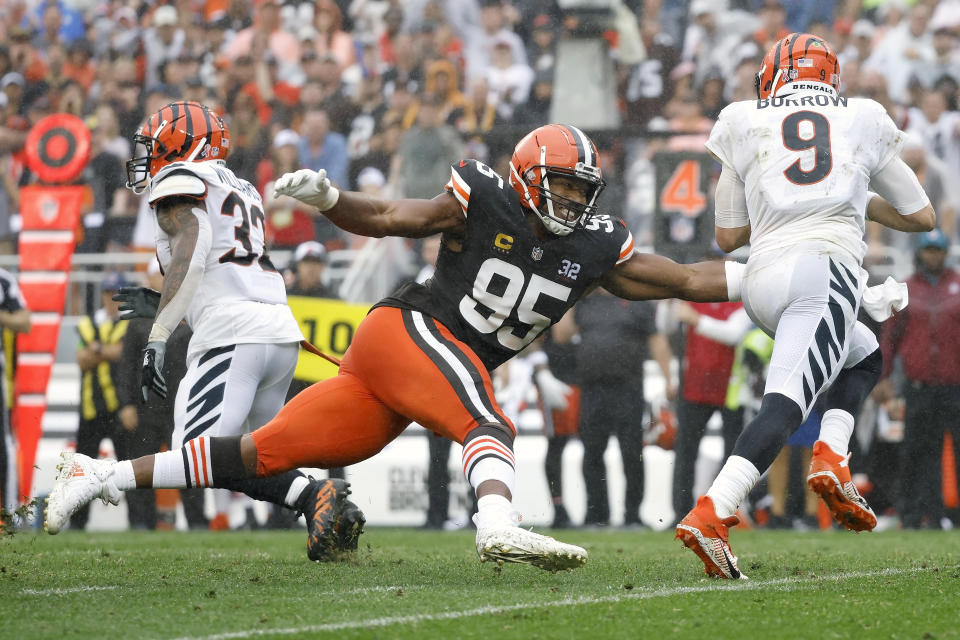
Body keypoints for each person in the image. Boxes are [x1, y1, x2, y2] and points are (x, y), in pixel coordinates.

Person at [46, 122, 741, 571]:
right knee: (487, 423)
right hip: (409, 330)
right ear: (529, 178)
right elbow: (387, 215)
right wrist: (331, 199)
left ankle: (95, 476)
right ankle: (497, 523)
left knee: (257, 453)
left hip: (406, 374)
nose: (571, 199)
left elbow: (684, 278)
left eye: (579, 188)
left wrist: (762, 273)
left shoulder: (595, 246)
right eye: (560, 184)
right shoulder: (485, 195)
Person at [675, 33, 937, 579]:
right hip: (823, 269)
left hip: (762, 280)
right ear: (831, 77)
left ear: (774, 75)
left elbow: (727, 237)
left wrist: (774, 199)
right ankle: (714, 510)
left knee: (863, 354)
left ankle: (831, 455)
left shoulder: (742, 118)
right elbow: (921, 216)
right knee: (785, 403)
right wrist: (855, 193)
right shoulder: (861, 116)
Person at [62, 101, 363, 559]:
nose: (149, 154)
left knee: (195, 455)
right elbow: (226, 264)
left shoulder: (182, 178)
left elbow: (195, 245)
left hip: (234, 334)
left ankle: (101, 477)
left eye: (157, 143)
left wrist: (159, 332)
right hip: (275, 332)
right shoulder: (238, 185)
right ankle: (315, 498)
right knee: (238, 456)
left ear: (187, 145)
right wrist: (173, 306)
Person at [877, 228, 960, 529]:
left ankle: (954, 517)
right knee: (920, 453)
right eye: (928, 249)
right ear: (920, 252)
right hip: (919, 386)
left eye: (938, 250)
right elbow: (890, 339)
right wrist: (883, 377)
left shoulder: (958, 285)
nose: (933, 255)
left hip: (956, 386)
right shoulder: (907, 289)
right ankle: (922, 515)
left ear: (944, 252)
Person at [70, 273, 130, 530]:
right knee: (82, 473)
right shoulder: (90, 323)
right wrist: (106, 352)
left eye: (116, 293)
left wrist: (98, 350)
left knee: (130, 469)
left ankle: (140, 521)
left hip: (119, 408)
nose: (111, 298)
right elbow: (81, 359)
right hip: (91, 409)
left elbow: (124, 353)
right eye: (108, 292)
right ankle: (77, 523)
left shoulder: (129, 322)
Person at [0, 267, 30, 515]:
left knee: (4, 441)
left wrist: (1, 317)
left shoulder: (3, 279)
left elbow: (24, 321)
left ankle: (9, 512)